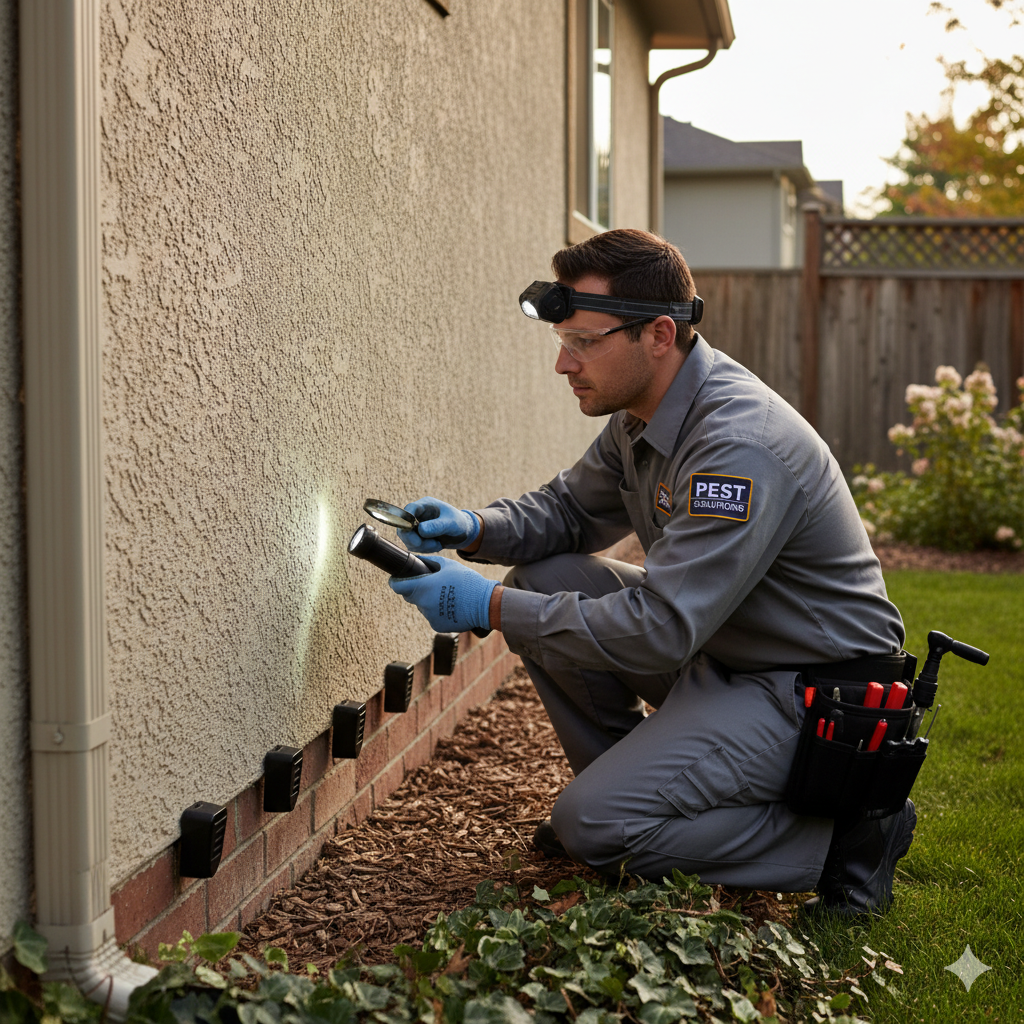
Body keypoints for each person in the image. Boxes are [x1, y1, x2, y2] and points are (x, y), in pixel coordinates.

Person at [388, 228, 916, 916]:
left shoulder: (737, 446)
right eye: (563, 341)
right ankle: (631, 795)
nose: (562, 364)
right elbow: (570, 512)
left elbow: (661, 630)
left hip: (810, 692)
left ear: (659, 335)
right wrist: (475, 527)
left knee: (592, 828)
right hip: (728, 651)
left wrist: (487, 607)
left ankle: (845, 836)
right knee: (546, 581)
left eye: (583, 342)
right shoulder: (646, 413)